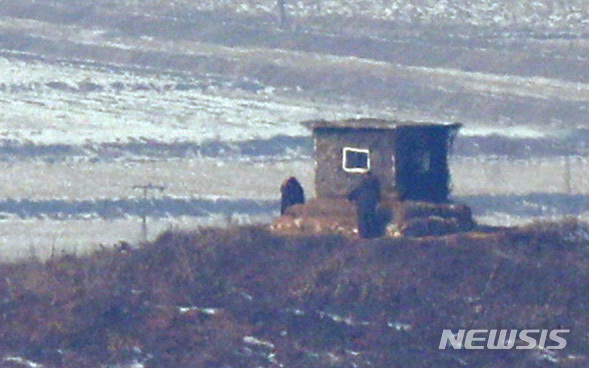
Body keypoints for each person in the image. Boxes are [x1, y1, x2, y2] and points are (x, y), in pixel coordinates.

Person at [348, 172, 382, 238]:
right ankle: (370, 235)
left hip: (362, 207)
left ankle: (364, 236)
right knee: (370, 221)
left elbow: (351, 196)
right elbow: (379, 198)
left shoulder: (361, 188)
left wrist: (353, 201)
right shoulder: (375, 189)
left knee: (363, 222)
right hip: (370, 208)